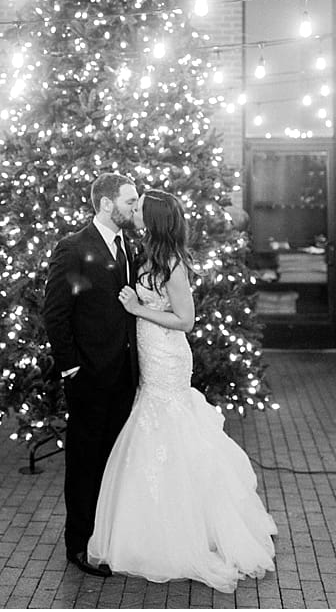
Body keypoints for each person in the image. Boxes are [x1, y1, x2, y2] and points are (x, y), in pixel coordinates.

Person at [87, 188, 277, 593]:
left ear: (152, 219)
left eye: (140, 209)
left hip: (167, 356)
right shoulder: (146, 254)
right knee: (151, 427)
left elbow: (186, 320)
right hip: (149, 351)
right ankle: (150, 522)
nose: (134, 211)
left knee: (168, 426)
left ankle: (183, 529)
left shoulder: (172, 263)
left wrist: (138, 308)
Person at [42, 172, 140, 577]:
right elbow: (56, 313)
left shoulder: (129, 248)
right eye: (130, 201)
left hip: (124, 374)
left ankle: (106, 538)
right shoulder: (73, 248)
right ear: (105, 204)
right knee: (84, 460)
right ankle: (77, 545)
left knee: (113, 460)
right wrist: (71, 367)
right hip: (88, 376)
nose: (135, 208)